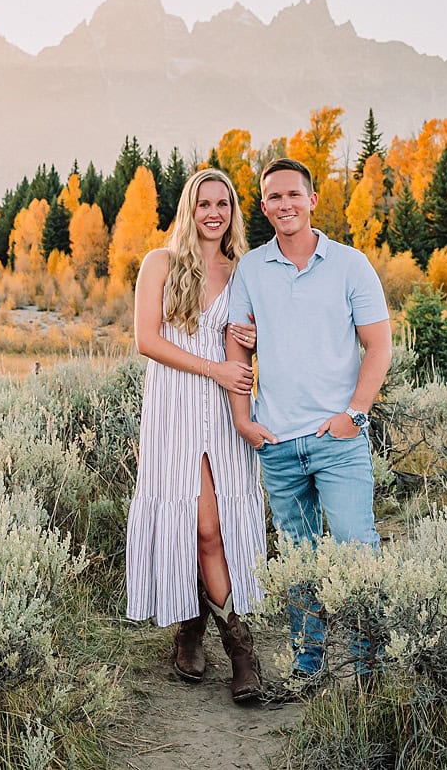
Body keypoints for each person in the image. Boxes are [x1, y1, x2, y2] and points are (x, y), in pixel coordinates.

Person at [225, 157, 391, 684]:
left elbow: (379, 345)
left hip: (337, 440)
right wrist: (244, 421)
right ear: (264, 205)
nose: (285, 205)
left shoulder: (349, 264)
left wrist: (354, 415)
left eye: (294, 195)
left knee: (354, 547)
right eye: (274, 197)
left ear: (313, 199)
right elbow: (237, 342)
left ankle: (368, 667)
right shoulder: (252, 268)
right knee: (298, 558)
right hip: (277, 442)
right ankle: (308, 664)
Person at [125, 168, 267, 703]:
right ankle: (195, 628)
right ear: (189, 208)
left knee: (214, 527)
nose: (214, 213)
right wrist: (215, 369)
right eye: (204, 203)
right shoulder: (160, 264)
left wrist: (253, 345)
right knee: (188, 518)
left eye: (223, 204)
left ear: (232, 211)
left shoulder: (243, 272)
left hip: (224, 410)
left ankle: (232, 645)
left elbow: (242, 350)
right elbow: (146, 340)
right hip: (173, 410)